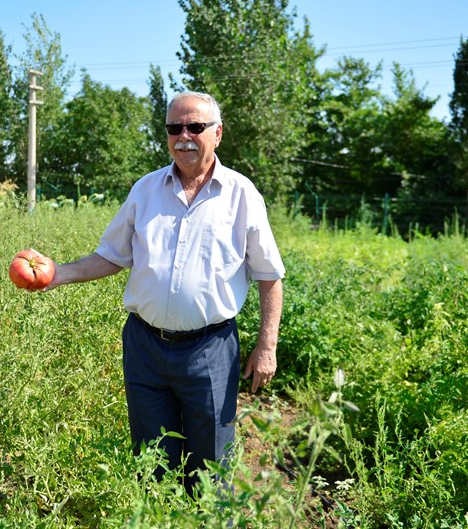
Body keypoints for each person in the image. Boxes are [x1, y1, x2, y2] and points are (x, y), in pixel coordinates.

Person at [39, 90, 285, 492]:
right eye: (175, 127)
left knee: (210, 472)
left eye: (195, 126)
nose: (183, 135)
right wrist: (56, 274)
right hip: (145, 348)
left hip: (211, 349)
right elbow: (112, 256)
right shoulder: (146, 190)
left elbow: (269, 274)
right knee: (152, 465)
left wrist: (267, 345)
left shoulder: (242, 195)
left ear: (217, 134)